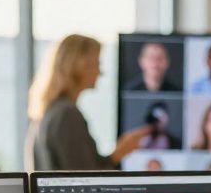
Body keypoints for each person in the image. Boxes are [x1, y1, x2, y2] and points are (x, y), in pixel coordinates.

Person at [26, 34, 148, 170]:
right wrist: (119, 153)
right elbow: (85, 181)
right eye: (97, 63)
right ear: (80, 66)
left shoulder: (50, 111)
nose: (100, 72)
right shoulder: (66, 115)